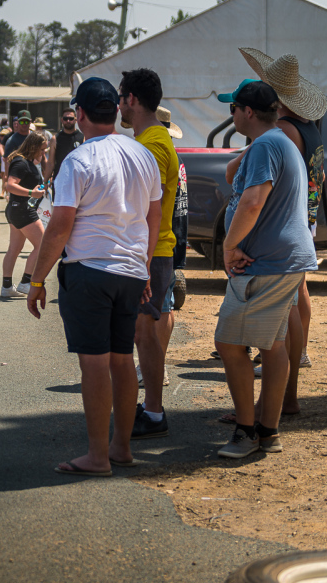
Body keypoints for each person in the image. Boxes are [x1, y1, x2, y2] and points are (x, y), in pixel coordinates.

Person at [26, 78, 160, 476]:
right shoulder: (142, 154)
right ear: (117, 111)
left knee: (95, 365)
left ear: (80, 114)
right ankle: (120, 448)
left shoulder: (79, 160)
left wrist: (37, 279)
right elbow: (153, 216)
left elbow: (61, 224)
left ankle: (98, 456)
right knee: (123, 360)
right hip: (131, 271)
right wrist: (145, 264)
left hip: (90, 271)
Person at [212, 78, 317, 458]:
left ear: (248, 112)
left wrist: (229, 245)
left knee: (228, 342)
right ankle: (268, 431)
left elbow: (253, 201)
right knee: (273, 346)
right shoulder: (278, 142)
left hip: (267, 262)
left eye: (233, 108)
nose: (231, 115)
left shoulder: (267, 145)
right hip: (284, 258)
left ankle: (246, 431)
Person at [117, 69, 180, 441]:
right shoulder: (150, 138)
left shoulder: (153, 144)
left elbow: (146, 207)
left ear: (133, 101)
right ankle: (152, 409)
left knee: (145, 333)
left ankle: (154, 413)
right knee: (144, 332)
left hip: (150, 252)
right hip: (150, 251)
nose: (119, 104)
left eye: (122, 96)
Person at [0, 133, 47, 299]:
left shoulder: (27, 162)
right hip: (22, 209)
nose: (43, 153)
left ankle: (7, 287)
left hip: (17, 209)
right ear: (33, 147)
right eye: (42, 150)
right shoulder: (21, 162)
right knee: (42, 245)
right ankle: (26, 283)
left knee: (14, 249)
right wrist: (31, 193)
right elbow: (10, 185)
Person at [52, 107, 84, 183]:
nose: (68, 121)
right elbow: (51, 162)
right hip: (59, 180)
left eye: (71, 118)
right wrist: (46, 181)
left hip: (77, 180)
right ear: (62, 120)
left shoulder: (82, 138)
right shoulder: (55, 138)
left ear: (76, 120)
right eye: (65, 119)